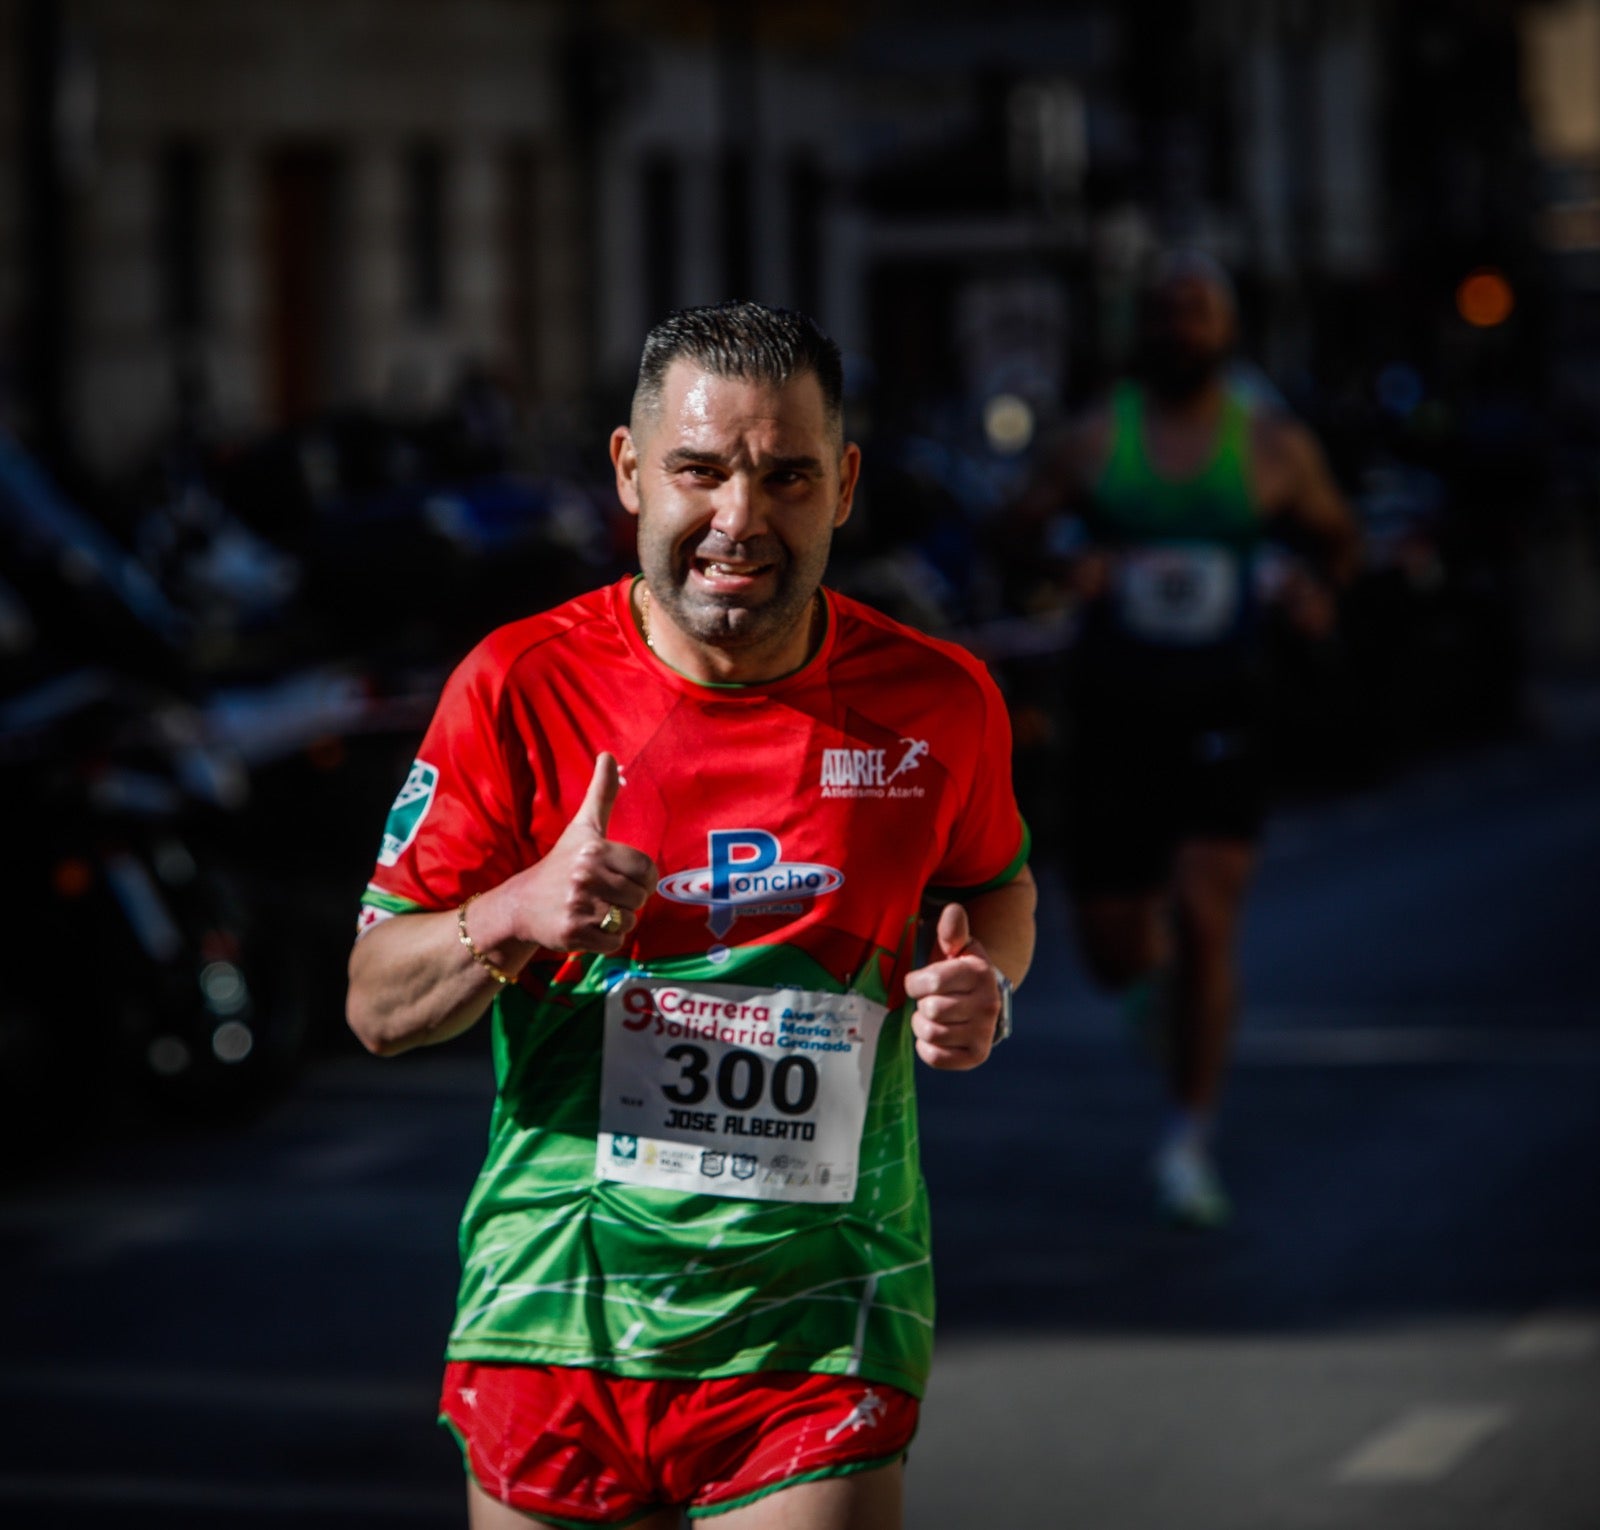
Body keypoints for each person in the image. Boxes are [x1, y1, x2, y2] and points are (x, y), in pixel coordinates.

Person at [347, 301, 1036, 1529]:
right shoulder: (520, 685)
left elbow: (994, 885)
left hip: (816, 1321)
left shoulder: (938, 705)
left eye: (786, 478)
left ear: (845, 488)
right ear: (627, 471)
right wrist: (512, 911)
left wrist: (984, 980)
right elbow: (375, 1005)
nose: (739, 520)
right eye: (700, 471)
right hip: (556, 1307)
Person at [1016, 251, 1358, 1229]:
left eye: (1197, 314)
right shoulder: (1093, 442)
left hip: (1224, 704)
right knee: (1114, 945)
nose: (1180, 330)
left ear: (1226, 330)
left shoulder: (1270, 450)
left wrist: (1309, 587)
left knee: (1209, 913)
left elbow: (1336, 538)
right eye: (1164, 314)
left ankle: (1185, 1142)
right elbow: (1016, 530)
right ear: (1142, 331)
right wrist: (1063, 560)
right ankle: (1152, 995)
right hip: (1118, 706)